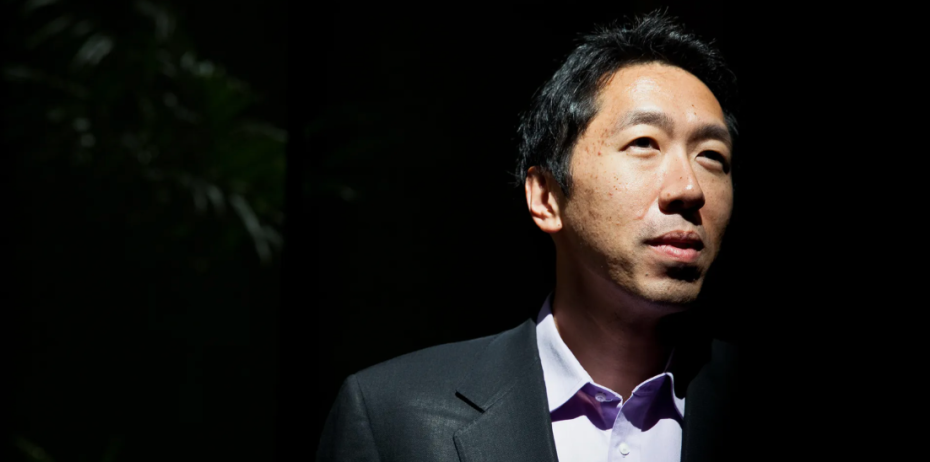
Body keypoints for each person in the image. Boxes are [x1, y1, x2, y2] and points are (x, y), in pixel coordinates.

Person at [317, 11, 740, 462]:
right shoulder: (393, 417)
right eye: (644, 143)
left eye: (712, 156)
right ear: (546, 197)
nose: (688, 189)